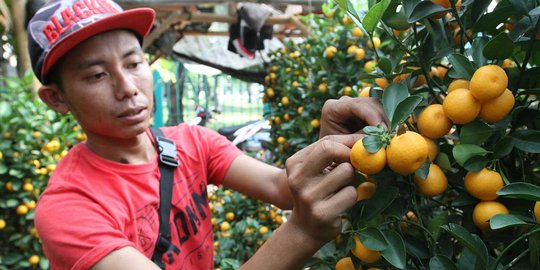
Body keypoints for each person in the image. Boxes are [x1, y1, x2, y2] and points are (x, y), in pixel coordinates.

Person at [28, 0, 387, 269]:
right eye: (96, 75)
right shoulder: (68, 209)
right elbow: (298, 214)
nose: (127, 88)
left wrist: (330, 149)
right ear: (56, 97)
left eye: (134, 63)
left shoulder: (192, 143)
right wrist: (303, 234)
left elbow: (283, 189)